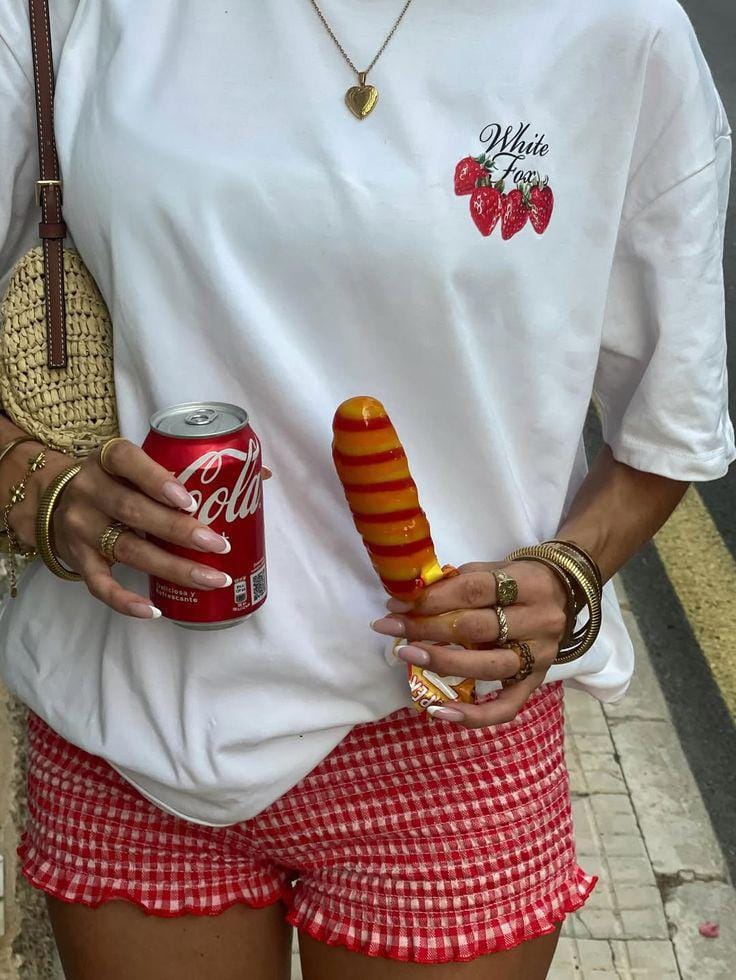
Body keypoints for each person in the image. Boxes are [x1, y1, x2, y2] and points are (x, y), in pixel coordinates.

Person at [0, 1, 733, 978]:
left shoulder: (618, 29)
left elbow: (668, 417)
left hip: (450, 728)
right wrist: (31, 480)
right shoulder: (72, 10)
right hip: (131, 718)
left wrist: (571, 569)